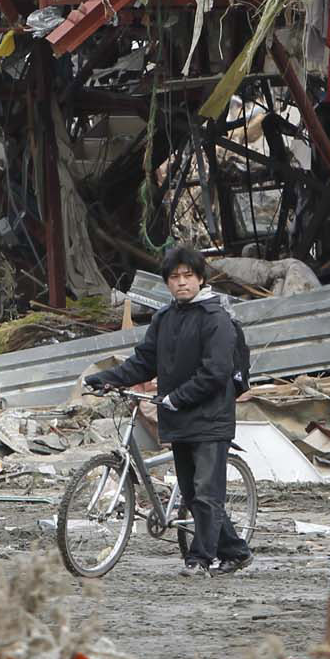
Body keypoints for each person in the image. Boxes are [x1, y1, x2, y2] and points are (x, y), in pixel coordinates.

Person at [84, 245, 252, 574]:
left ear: (201, 279)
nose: (182, 282)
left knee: (205, 492)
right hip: (179, 418)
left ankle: (199, 559)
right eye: (174, 277)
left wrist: (177, 397)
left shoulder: (216, 319)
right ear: (167, 283)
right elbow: (144, 362)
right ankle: (236, 550)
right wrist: (107, 378)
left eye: (188, 276)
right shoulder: (165, 318)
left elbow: (216, 372)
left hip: (210, 418)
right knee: (193, 493)